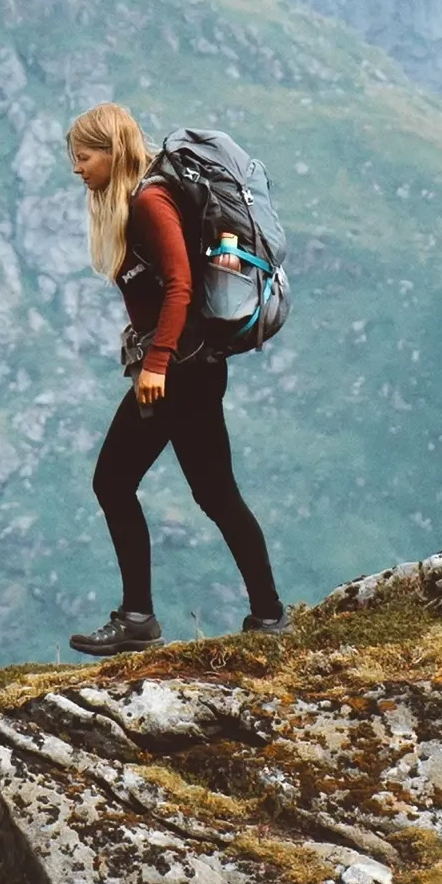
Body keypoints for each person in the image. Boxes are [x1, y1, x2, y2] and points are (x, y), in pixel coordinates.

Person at [65, 103, 288, 656]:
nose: (77, 168)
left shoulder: (150, 200)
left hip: (178, 372)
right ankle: (269, 616)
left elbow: (181, 285)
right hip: (193, 369)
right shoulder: (141, 198)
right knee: (215, 493)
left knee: (113, 482)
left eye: (84, 156)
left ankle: (139, 618)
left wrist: (157, 361)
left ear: (113, 152)